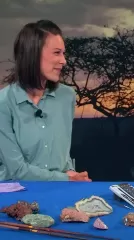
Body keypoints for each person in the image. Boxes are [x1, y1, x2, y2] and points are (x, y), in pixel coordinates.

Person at [0, 20, 91, 181]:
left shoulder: (67, 96)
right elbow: (16, 170)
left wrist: (71, 173)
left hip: (61, 188)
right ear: (32, 55)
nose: (63, 61)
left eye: (63, 53)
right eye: (57, 53)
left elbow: (63, 155)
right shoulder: (4, 102)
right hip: (16, 192)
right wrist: (65, 179)